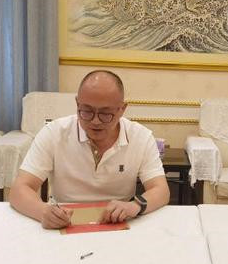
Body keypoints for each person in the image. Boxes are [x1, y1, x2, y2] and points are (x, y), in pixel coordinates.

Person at [10, 70, 170, 229]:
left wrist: (134, 206)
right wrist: (43, 211)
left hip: (118, 221)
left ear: (122, 109)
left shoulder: (141, 137)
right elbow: (19, 189)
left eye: (105, 114)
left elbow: (161, 190)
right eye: (86, 111)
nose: (95, 121)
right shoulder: (54, 133)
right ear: (77, 104)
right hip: (64, 221)